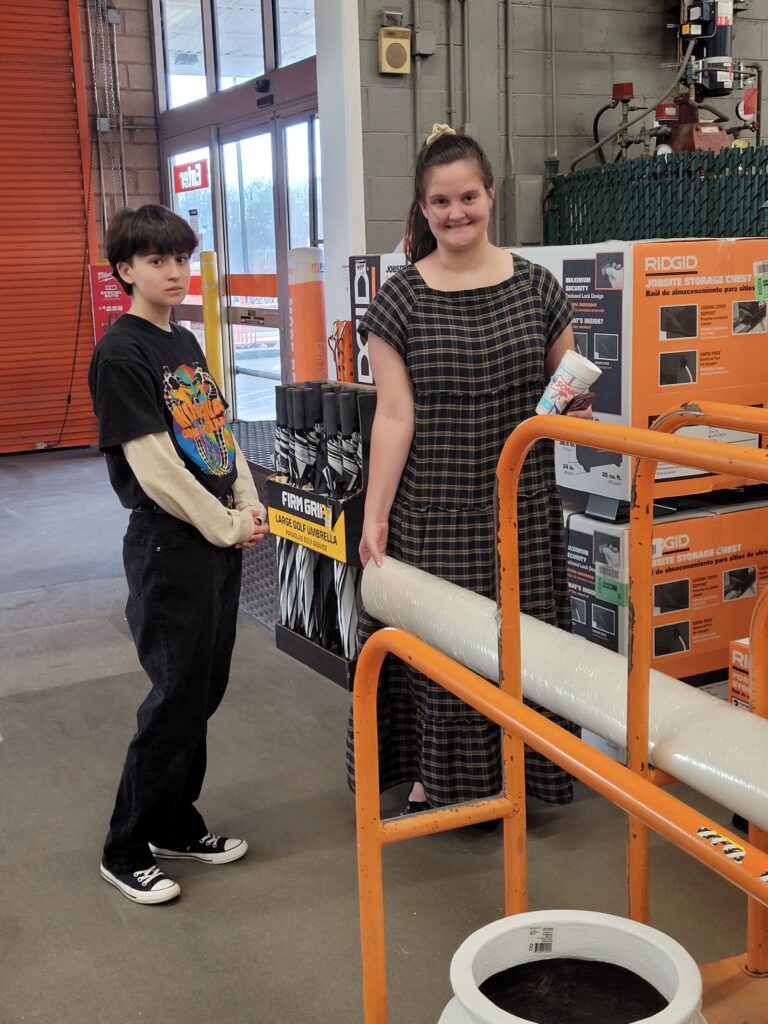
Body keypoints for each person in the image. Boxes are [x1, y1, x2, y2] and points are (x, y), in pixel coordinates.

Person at [348, 125, 589, 820]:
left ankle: (527, 773)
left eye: (469, 198)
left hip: (524, 506)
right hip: (437, 511)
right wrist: (376, 513)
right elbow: (394, 416)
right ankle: (439, 778)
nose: (457, 213)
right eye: (441, 202)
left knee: (525, 643)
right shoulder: (400, 300)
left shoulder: (538, 287)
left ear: (491, 196)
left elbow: (561, 388)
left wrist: (576, 405)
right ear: (422, 210)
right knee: (442, 656)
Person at [89, 204, 269, 904]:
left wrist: (247, 504)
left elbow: (215, 436)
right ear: (125, 270)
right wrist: (226, 528)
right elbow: (156, 467)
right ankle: (125, 844)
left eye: (181, 259)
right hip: (170, 546)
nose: (174, 271)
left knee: (204, 689)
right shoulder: (121, 353)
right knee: (172, 697)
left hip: (215, 539)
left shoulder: (183, 343)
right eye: (157, 260)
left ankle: (174, 822)